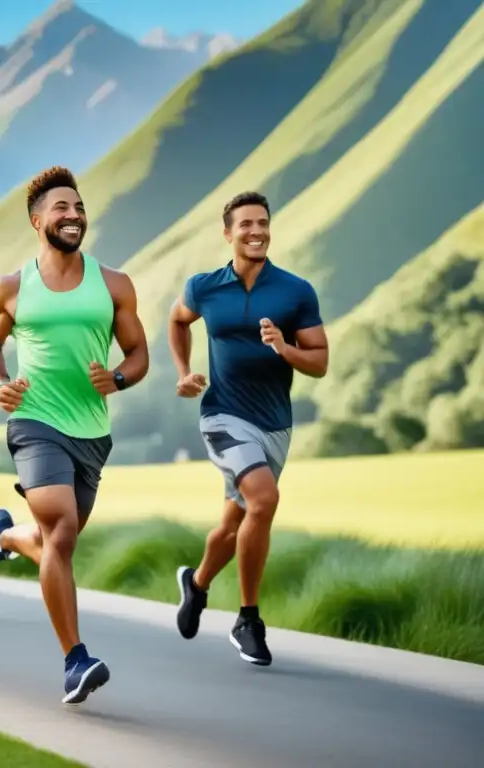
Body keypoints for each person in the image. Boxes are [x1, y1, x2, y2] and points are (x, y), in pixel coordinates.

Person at [0, 166, 150, 705]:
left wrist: (116, 378)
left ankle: (2, 536)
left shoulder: (114, 284)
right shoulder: (11, 288)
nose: (74, 216)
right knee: (63, 530)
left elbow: (139, 354)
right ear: (37, 220)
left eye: (79, 208)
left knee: (54, 543)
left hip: (92, 432)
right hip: (34, 422)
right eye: (62, 208)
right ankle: (76, 660)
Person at [168, 191, 329, 667]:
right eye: (246, 224)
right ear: (228, 233)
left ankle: (196, 585)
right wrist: (184, 370)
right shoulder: (203, 287)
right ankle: (248, 619)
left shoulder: (296, 291)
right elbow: (178, 321)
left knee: (233, 522)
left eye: (263, 222)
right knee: (263, 500)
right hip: (222, 415)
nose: (256, 231)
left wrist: (284, 348)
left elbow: (319, 362)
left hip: (275, 424)